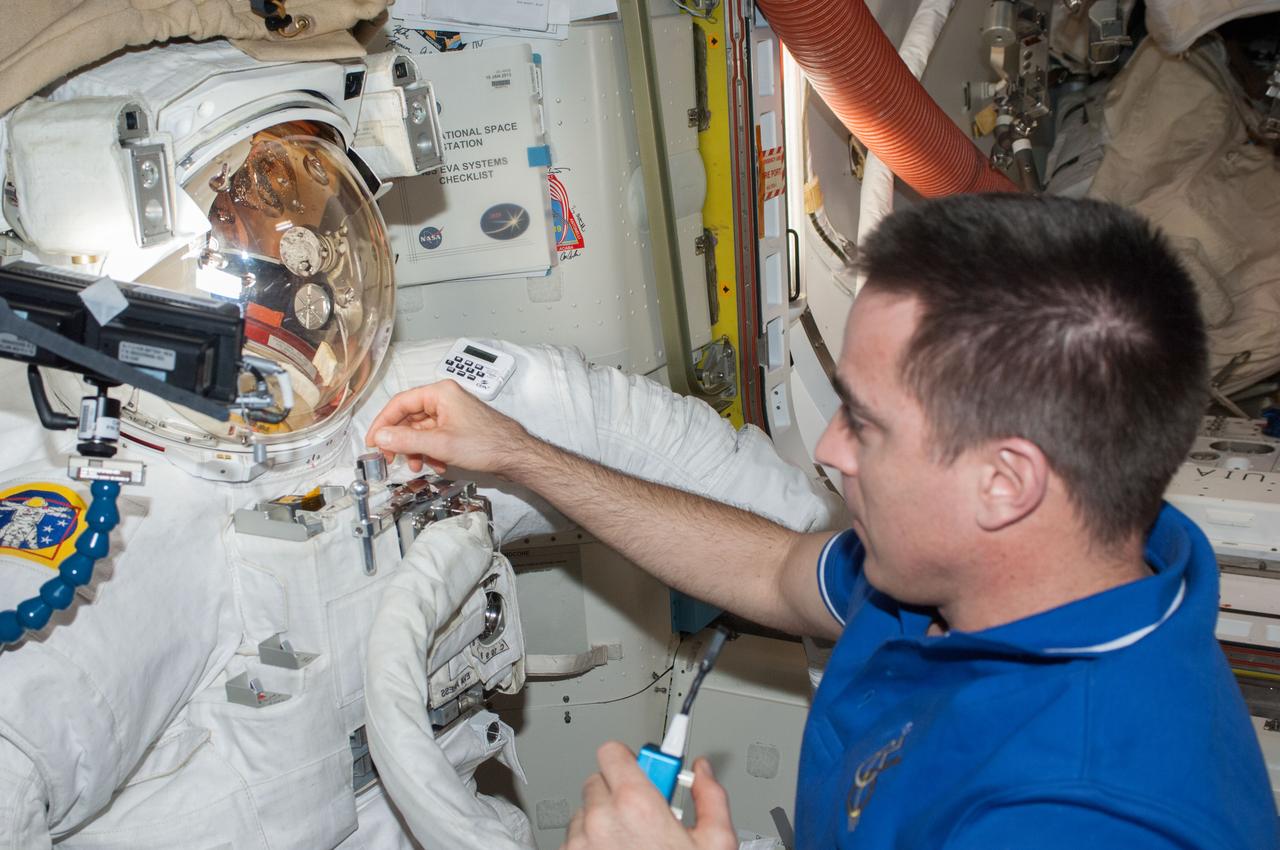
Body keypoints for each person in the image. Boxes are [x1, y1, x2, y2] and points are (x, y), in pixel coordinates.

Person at [366, 193, 1279, 849]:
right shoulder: (1029, 566)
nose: (831, 448)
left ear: (1007, 482)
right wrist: (525, 454)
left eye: (866, 422)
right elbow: (770, 571)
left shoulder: (1083, 813)